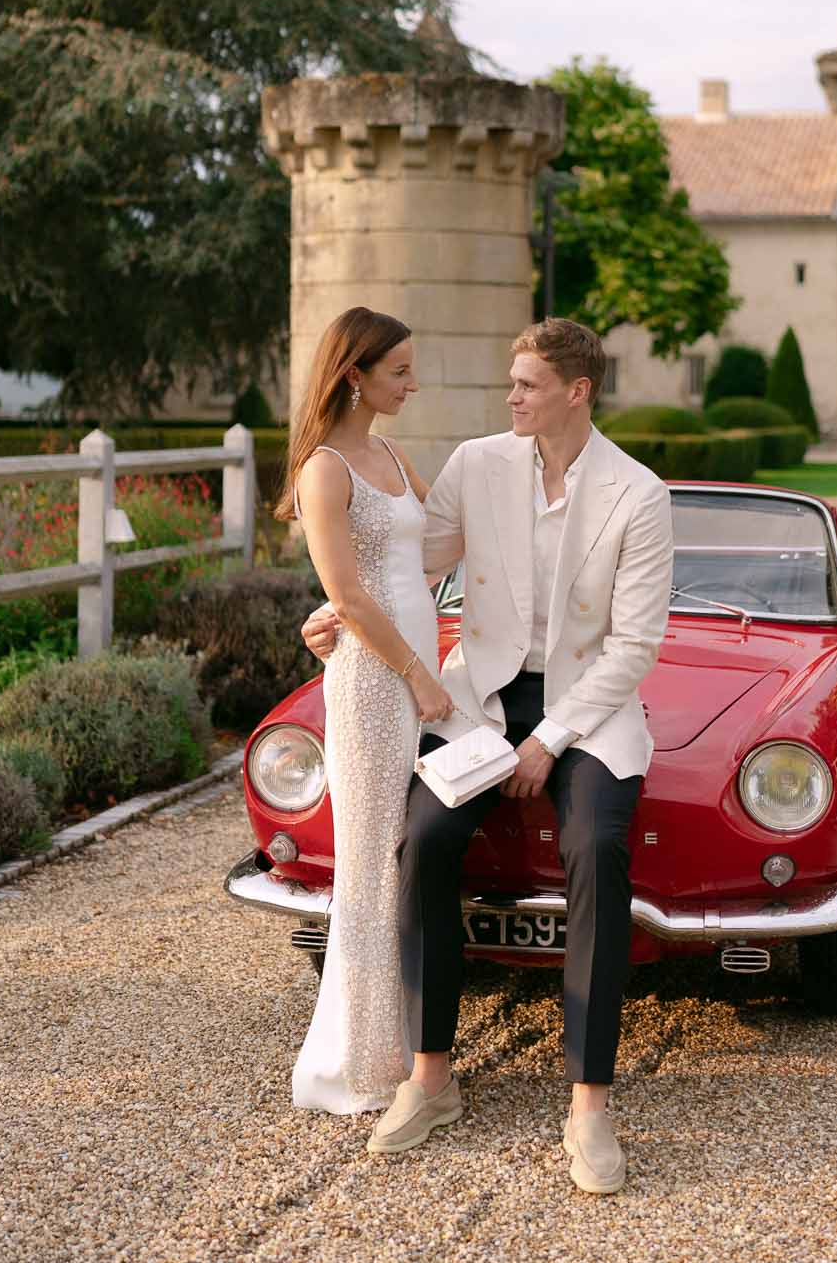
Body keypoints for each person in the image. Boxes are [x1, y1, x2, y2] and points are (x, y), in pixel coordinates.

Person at [306, 318, 674, 1193]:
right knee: (423, 841)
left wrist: (548, 740)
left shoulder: (637, 493)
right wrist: (333, 611)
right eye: (511, 383)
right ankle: (430, 1077)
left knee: (596, 848)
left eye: (526, 385)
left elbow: (634, 647)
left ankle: (589, 1104)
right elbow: (401, 560)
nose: (509, 397)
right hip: (479, 699)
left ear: (576, 392)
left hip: (589, 709)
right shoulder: (478, 464)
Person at [277, 306, 453, 1115]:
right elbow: (346, 591)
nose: (412, 385)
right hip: (376, 681)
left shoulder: (388, 451)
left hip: (421, 668)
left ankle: (401, 1042)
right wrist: (417, 673)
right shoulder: (324, 469)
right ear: (355, 374)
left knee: (410, 849)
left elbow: (435, 551)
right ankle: (356, 1061)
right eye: (399, 373)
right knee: (369, 859)